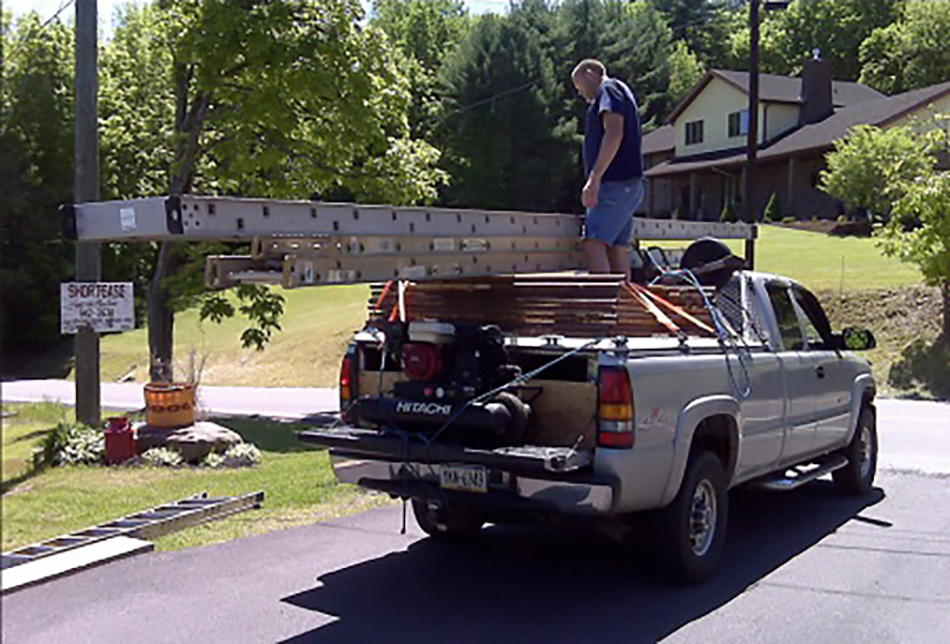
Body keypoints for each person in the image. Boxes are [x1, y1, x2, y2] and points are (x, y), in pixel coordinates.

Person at [572, 59, 644, 280]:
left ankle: (603, 307)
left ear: (590, 73)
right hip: (628, 185)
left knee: (593, 244)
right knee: (617, 249)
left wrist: (594, 178)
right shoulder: (620, 91)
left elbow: (614, 132)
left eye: (579, 86)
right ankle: (622, 306)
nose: (581, 94)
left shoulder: (609, 89)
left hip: (614, 184)